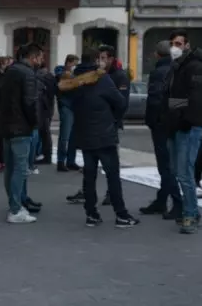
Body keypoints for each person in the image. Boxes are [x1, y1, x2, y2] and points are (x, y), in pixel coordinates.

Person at [60, 49, 140, 227]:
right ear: (96, 60)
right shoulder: (102, 79)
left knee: (89, 176)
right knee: (112, 175)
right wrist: (113, 119)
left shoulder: (73, 81)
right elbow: (120, 102)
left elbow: (68, 102)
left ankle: (91, 214)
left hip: (84, 133)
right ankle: (121, 215)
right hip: (104, 133)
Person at [163, 29, 202, 234]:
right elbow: (175, 99)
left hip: (189, 127)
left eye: (179, 43)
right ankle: (192, 211)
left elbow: (198, 99)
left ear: (187, 45)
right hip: (177, 126)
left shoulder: (196, 68)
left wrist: (181, 115)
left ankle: (190, 215)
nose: (175, 47)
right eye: (173, 43)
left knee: (184, 173)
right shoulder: (177, 67)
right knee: (177, 171)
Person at [0, 44, 45, 222]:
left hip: (8, 126)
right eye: (40, 57)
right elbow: (30, 102)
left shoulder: (10, 71)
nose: (41, 61)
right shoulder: (28, 74)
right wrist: (35, 123)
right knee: (20, 169)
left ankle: (14, 204)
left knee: (11, 169)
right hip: (21, 127)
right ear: (33, 57)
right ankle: (15, 209)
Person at [139, 40, 183, 220]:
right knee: (168, 165)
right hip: (173, 123)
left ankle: (177, 203)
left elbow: (156, 99)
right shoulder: (177, 69)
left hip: (161, 124)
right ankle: (161, 200)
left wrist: (153, 120)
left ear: (158, 54)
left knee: (165, 166)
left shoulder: (159, 72)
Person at [96, 45, 130, 206]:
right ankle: (89, 191)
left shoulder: (120, 76)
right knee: (92, 161)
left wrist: (114, 120)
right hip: (96, 124)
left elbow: (122, 103)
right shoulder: (99, 74)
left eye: (103, 58)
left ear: (111, 59)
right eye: (99, 58)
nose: (100, 61)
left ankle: (112, 193)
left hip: (111, 125)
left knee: (111, 163)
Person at [54, 55, 80, 172]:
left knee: (73, 136)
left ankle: (71, 161)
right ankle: (61, 161)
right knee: (65, 136)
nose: (75, 66)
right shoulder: (60, 70)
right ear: (69, 63)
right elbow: (62, 76)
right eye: (74, 64)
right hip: (66, 106)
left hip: (75, 106)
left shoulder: (75, 74)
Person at [35, 63, 56, 165]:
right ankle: (47, 155)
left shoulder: (38, 77)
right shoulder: (51, 77)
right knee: (45, 134)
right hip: (48, 108)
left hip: (42, 109)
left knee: (42, 133)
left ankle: (43, 155)